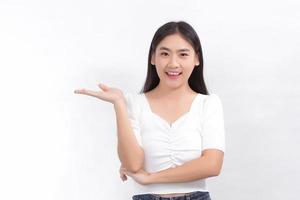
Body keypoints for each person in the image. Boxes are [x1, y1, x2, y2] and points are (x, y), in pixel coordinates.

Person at [74, 21, 225, 200]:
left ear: (196, 59)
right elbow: (133, 164)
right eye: (164, 54)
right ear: (153, 58)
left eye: (183, 54)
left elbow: (212, 165)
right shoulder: (134, 103)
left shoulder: (208, 103)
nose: (173, 63)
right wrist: (119, 104)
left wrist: (151, 178)